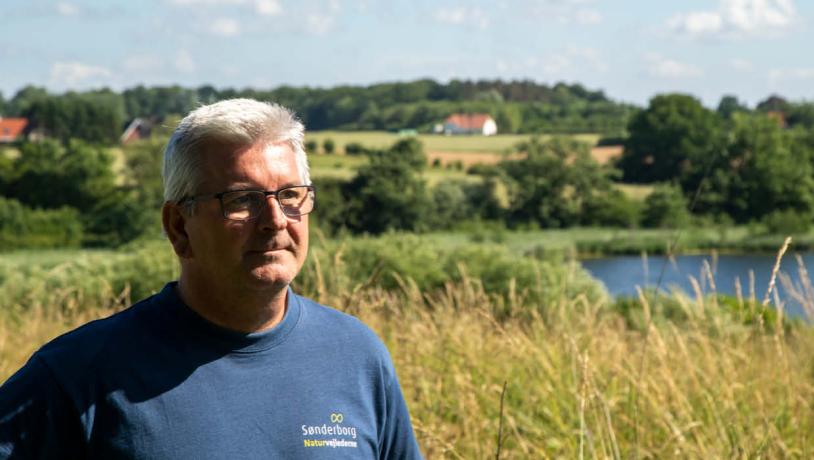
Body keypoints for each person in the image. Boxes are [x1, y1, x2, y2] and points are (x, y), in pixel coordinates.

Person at [0, 98, 422, 459]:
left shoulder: (357, 357)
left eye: (290, 196)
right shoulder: (78, 375)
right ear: (179, 226)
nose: (275, 220)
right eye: (242, 200)